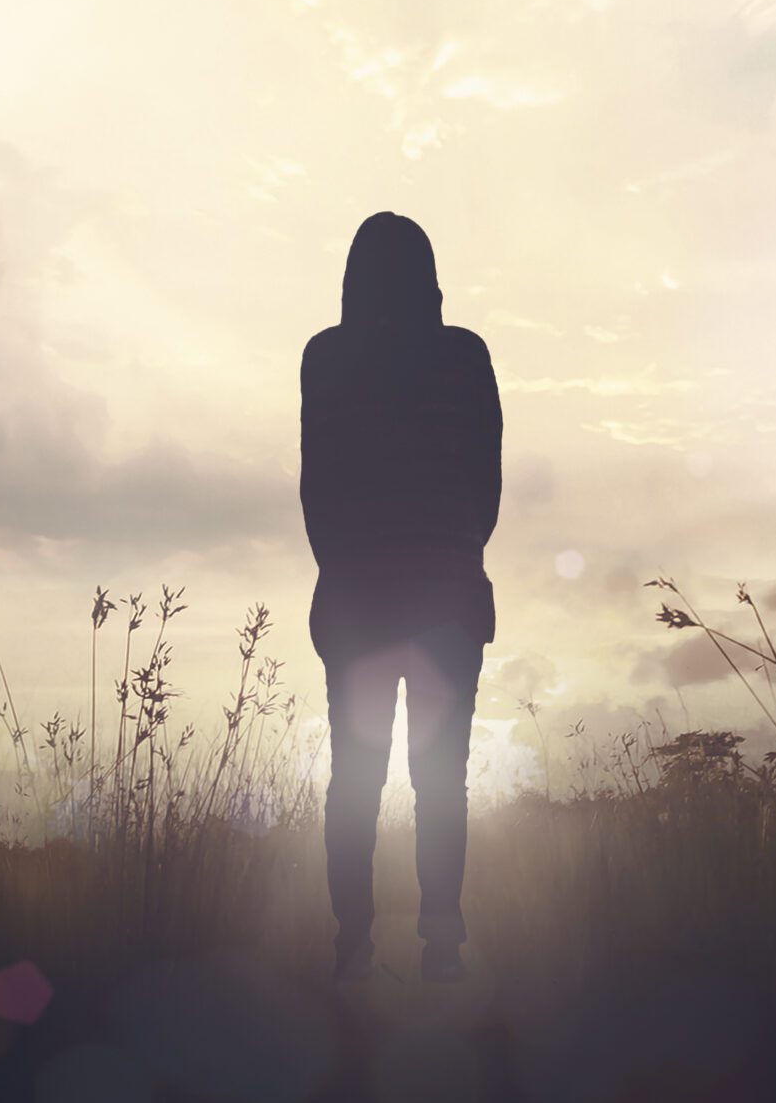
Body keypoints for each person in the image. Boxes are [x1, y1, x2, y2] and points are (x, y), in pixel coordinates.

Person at [300, 211, 502, 984]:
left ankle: (352, 948)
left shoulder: (327, 358)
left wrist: (348, 569)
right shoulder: (464, 357)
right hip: (448, 596)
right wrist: (453, 556)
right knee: (439, 779)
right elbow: (485, 484)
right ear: (431, 277)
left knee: (356, 778)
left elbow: (317, 487)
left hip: (356, 599)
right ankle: (441, 949)